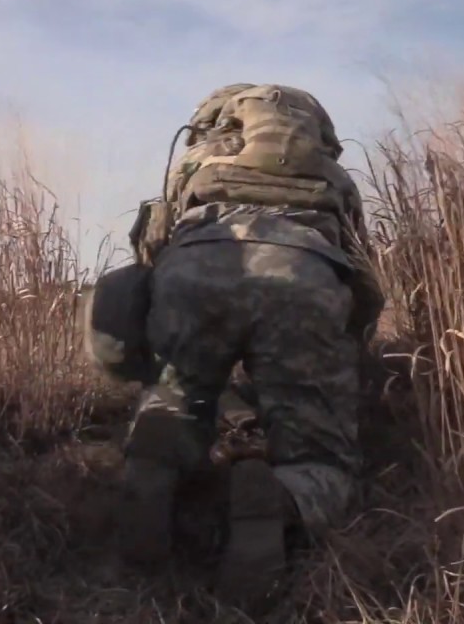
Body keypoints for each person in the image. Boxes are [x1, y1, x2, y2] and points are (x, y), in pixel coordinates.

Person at [118, 83, 384, 608]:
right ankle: (282, 497)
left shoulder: (194, 162)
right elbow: (364, 280)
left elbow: (151, 250)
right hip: (304, 278)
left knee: (175, 398)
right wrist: (342, 354)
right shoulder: (335, 179)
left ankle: (156, 462)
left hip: (192, 268)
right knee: (322, 457)